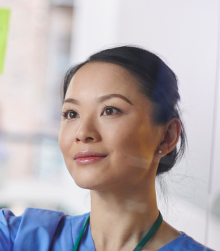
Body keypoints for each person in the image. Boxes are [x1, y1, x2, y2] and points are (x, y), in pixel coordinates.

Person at [0, 46, 214, 251]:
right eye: (71, 114)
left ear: (167, 136)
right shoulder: (17, 238)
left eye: (110, 110)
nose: (83, 132)